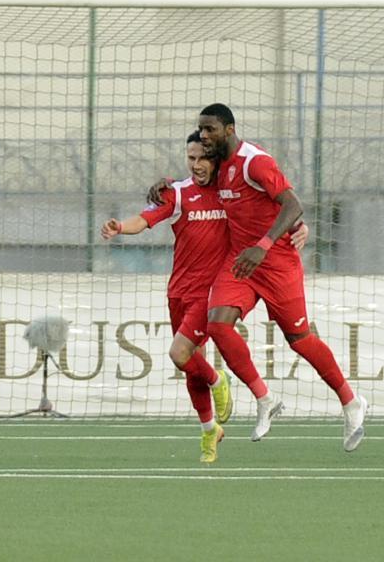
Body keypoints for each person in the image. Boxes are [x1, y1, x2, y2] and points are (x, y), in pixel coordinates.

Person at [151, 104, 366, 450]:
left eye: (209, 129)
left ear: (229, 129)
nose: (204, 136)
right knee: (217, 324)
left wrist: (272, 241)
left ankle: (351, 402)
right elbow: (198, 184)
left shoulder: (255, 162)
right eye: (201, 130)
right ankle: (265, 398)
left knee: (299, 339)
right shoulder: (219, 165)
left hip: (275, 262)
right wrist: (167, 184)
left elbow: (292, 204)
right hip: (241, 262)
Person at [103, 131, 309, 462]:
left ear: (216, 160)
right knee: (190, 366)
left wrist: (300, 227)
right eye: (191, 158)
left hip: (211, 293)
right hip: (178, 291)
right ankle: (209, 429)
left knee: (179, 352)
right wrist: (120, 227)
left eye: (203, 158)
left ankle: (218, 379)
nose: (197, 165)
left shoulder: (231, 194)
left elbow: (273, 208)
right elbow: (146, 218)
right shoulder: (178, 192)